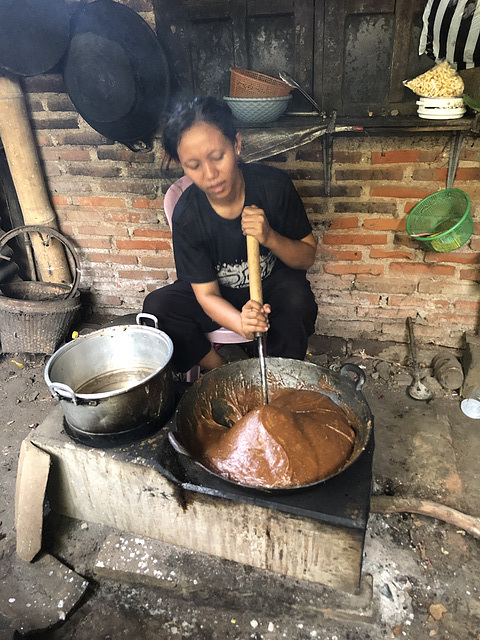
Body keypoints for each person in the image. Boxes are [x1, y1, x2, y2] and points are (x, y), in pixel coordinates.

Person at [143, 96, 318, 374]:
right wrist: (241, 325)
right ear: (181, 164)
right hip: (218, 295)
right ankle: (224, 373)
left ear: (236, 144)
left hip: (271, 289)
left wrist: (270, 236)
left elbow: (307, 257)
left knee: (297, 298)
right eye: (194, 165)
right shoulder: (187, 215)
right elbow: (207, 294)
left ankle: (278, 375)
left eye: (217, 157)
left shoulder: (274, 187)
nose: (211, 174)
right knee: (158, 306)